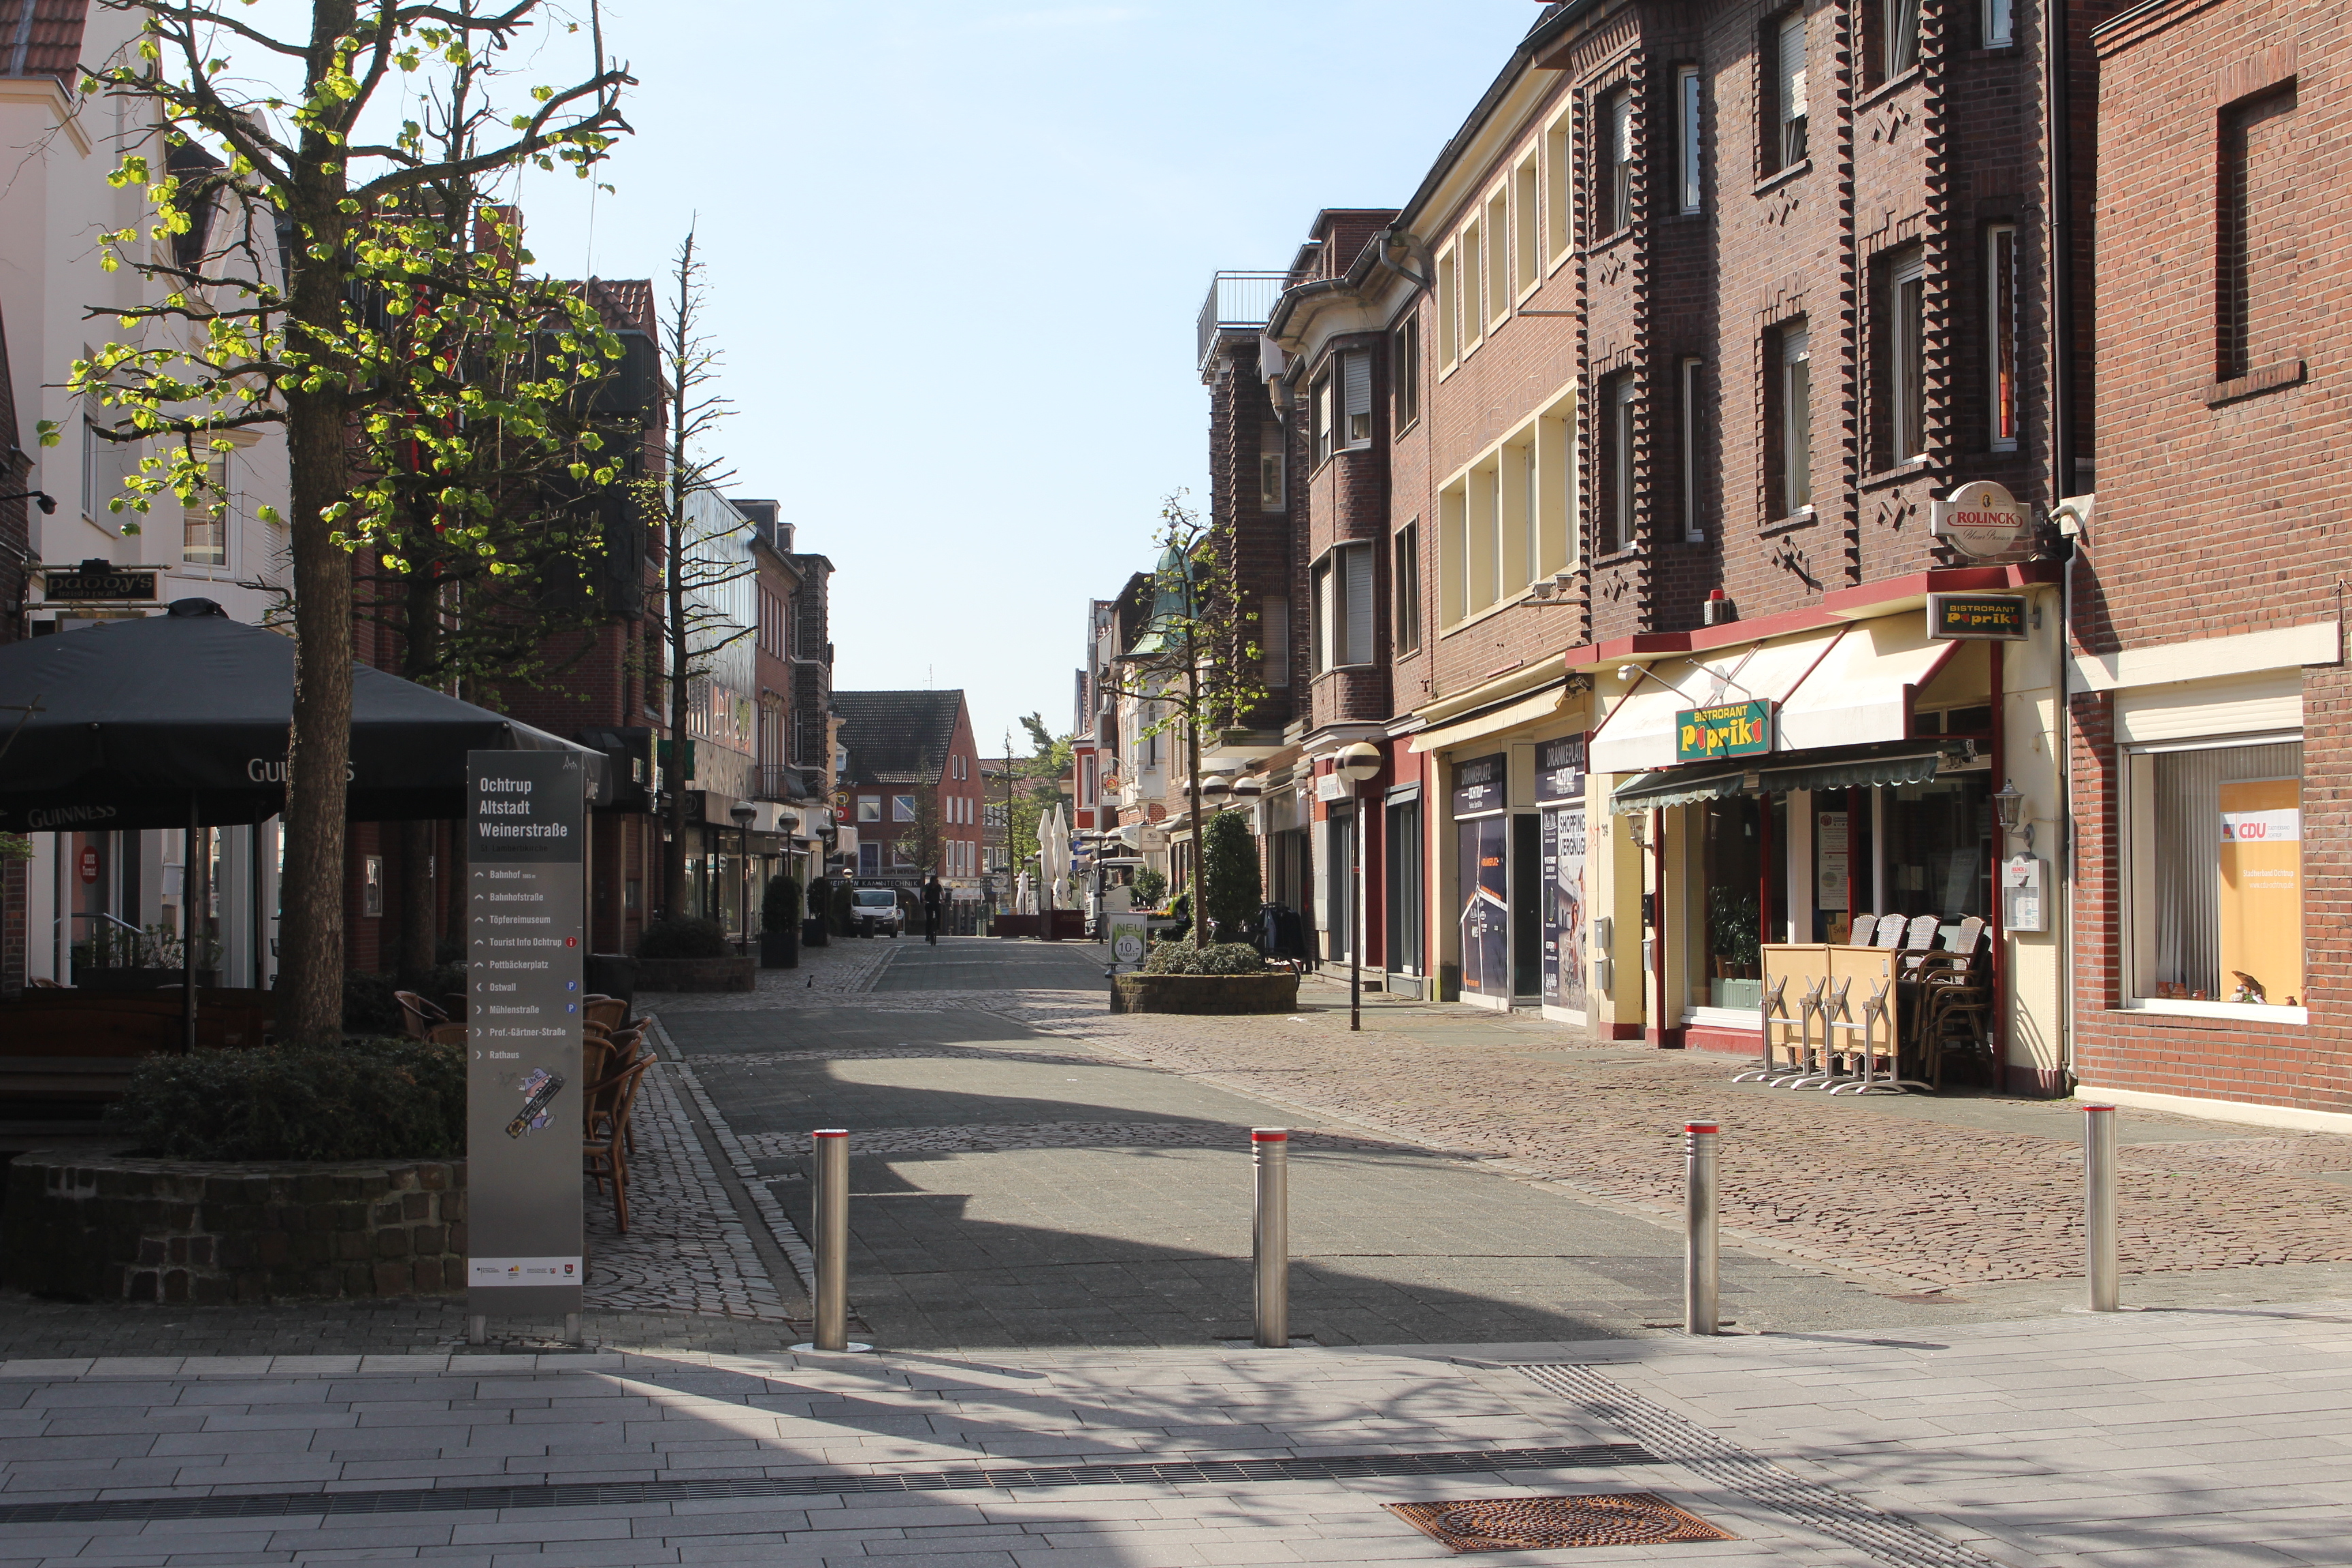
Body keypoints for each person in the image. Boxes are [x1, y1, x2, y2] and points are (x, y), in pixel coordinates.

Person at [921, 874, 945, 945]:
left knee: (939, 913)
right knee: (929, 918)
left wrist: (943, 899)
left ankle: (938, 926)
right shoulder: (927, 886)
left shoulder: (939, 886)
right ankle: (928, 934)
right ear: (933, 881)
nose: (937, 882)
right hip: (929, 903)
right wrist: (924, 900)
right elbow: (923, 894)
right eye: (936, 881)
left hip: (936, 903)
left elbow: (943, 893)